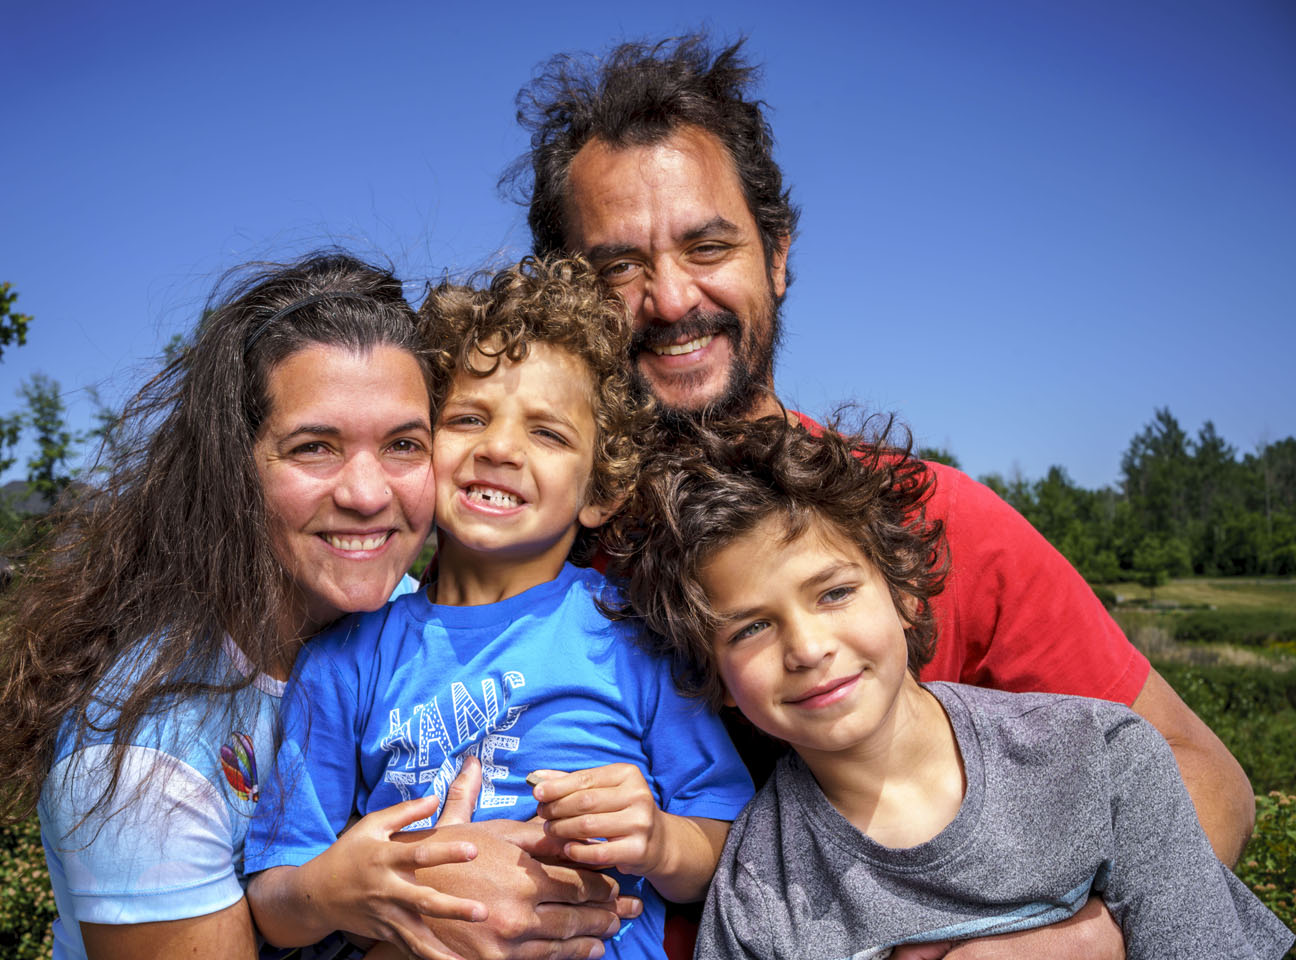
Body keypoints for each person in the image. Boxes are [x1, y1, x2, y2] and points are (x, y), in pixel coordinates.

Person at [506, 35, 1254, 957]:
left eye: (709, 245)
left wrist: (1066, 945)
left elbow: (1204, 778)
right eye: (618, 267)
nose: (669, 298)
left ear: (777, 256)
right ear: (565, 296)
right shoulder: (534, 558)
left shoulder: (933, 518)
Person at [0, 251, 640, 960]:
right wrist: (436, 920)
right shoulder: (143, 763)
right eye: (314, 448)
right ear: (234, 467)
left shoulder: (397, 619)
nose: (367, 494)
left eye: (403, 443)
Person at [606, 415, 1293, 960]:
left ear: (905, 593)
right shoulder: (757, 887)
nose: (809, 648)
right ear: (716, 677)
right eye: (751, 627)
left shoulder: (1105, 763)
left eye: (836, 592)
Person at [243, 256, 753, 959]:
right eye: (469, 417)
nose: (502, 447)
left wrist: (662, 840)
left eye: (548, 433)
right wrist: (337, 889)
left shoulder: (636, 638)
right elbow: (273, 901)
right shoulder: (343, 661)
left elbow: (728, 840)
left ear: (600, 490)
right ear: (420, 450)